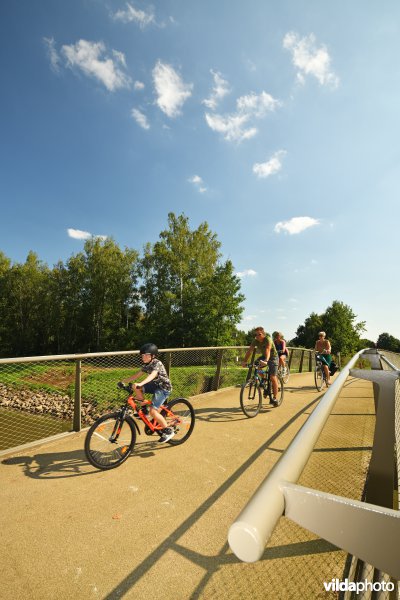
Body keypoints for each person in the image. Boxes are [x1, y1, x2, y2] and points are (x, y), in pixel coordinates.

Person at [123, 343, 174, 443]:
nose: (143, 357)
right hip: (155, 386)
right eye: (142, 355)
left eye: (146, 355)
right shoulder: (146, 364)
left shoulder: (157, 363)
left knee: (153, 412)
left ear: (153, 356)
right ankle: (144, 410)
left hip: (163, 388)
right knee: (134, 386)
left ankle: (168, 431)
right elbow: (137, 375)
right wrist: (124, 381)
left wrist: (141, 383)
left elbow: (153, 375)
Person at [242, 326, 280, 406]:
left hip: (273, 357)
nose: (257, 336)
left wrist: (266, 360)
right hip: (264, 356)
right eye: (255, 335)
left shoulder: (268, 339)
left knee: (273, 377)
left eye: (259, 334)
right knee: (257, 365)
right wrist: (244, 361)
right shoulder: (255, 341)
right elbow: (249, 351)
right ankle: (263, 378)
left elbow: (268, 349)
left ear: (263, 334)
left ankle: (275, 398)